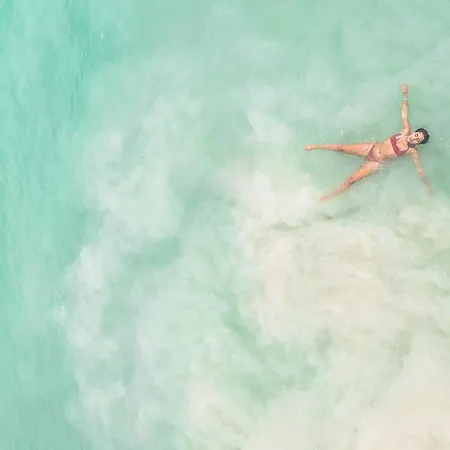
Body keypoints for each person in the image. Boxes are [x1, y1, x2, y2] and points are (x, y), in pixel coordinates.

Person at [305, 84, 432, 201]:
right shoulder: (405, 131)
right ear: (414, 132)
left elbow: (419, 169)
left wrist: (427, 185)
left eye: (417, 140)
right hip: (370, 148)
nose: (414, 138)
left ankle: (328, 196)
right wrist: (405, 94)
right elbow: (404, 112)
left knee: (351, 180)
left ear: (418, 143)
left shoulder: (412, 151)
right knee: (341, 148)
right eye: (416, 135)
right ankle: (316, 146)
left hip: (375, 163)